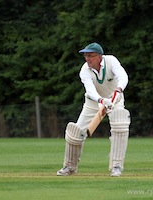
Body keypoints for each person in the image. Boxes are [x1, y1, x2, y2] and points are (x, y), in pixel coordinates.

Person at [56, 42, 131, 177]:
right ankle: (69, 167)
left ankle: (116, 166)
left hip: (115, 99)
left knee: (120, 125)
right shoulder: (85, 70)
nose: (88, 59)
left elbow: (123, 76)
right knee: (75, 133)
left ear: (99, 56)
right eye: (86, 56)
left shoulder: (111, 60)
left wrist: (118, 91)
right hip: (93, 102)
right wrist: (101, 101)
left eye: (91, 55)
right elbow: (90, 90)